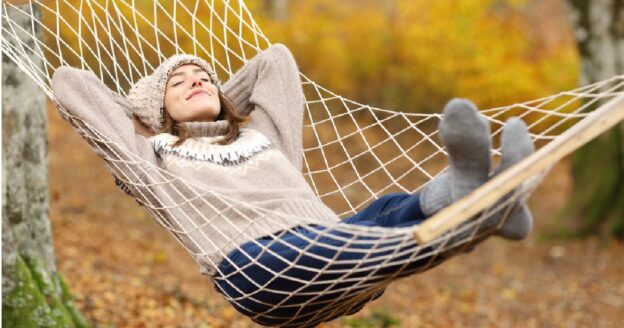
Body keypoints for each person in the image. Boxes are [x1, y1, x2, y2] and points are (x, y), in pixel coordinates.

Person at [51, 43, 534, 327]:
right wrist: (152, 115)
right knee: (344, 238)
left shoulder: (267, 133)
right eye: (180, 83)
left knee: (385, 209)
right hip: (257, 269)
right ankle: (475, 218)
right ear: (156, 111)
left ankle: (471, 192)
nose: (197, 81)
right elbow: (71, 84)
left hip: (334, 254)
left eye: (205, 77)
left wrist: (211, 99)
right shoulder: (148, 158)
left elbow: (274, 61)